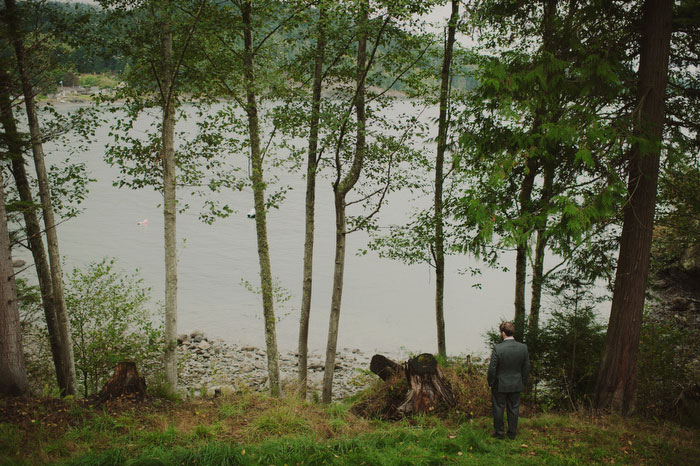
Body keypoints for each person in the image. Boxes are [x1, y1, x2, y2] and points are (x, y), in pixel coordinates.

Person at [487, 321, 530, 440]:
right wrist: (524, 382)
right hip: (516, 383)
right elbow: (526, 367)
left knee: (498, 408)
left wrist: (491, 382)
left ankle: (499, 433)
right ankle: (511, 434)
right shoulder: (523, 347)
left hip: (500, 384)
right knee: (514, 409)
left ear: (503, 333)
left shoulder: (498, 348)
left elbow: (492, 368)